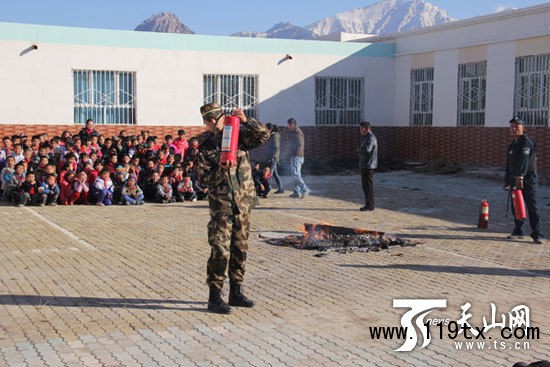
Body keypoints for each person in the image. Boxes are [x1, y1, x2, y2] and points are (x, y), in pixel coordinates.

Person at [197, 101, 269, 314]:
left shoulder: (237, 136)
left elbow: (263, 135)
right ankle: (214, 297)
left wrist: (246, 120)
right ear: (211, 121)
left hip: (243, 202)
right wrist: (221, 168)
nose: (217, 123)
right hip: (222, 206)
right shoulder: (206, 145)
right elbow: (203, 179)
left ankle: (236, 292)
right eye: (215, 119)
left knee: (240, 247)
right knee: (220, 249)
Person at [504, 116, 544, 244]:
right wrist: (507, 180)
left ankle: (537, 234)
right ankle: (518, 231)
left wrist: (520, 176)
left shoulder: (527, 143)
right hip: (514, 179)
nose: (514, 128)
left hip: (527, 180)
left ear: (523, 128)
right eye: (512, 126)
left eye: (517, 126)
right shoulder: (512, 145)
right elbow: (509, 165)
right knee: (517, 206)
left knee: (533, 206)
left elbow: (524, 161)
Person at [287, 118, 310, 199]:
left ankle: (305, 188)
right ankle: (297, 192)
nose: (287, 126)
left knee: (295, 174)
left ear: (292, 124)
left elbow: (299, 143)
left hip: (297, 156)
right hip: (296, 155)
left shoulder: (297, 132)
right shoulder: (293, 131)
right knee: (297, 174)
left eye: (288, 124)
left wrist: (294, 151)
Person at [357, 121, 378, 211]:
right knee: (366, 186)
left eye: (361, 129)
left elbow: (367, 150)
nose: (360, 131)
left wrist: (359, 149)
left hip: (368, 165)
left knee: (368, 186)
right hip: (366, 165)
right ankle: (368, 204)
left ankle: (370, 205)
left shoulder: (370, 138)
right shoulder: (367, 137)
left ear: (365, 128)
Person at [265, 123, 284, 194]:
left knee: (270, 173)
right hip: (272, 157)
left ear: (270, 129)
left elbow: (276, 147)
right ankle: (281, 188)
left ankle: (267, 188)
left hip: (274, 157)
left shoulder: (275, 136)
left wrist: (274, 157)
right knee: (275, 174)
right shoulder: (272, 135)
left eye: (266, 128)